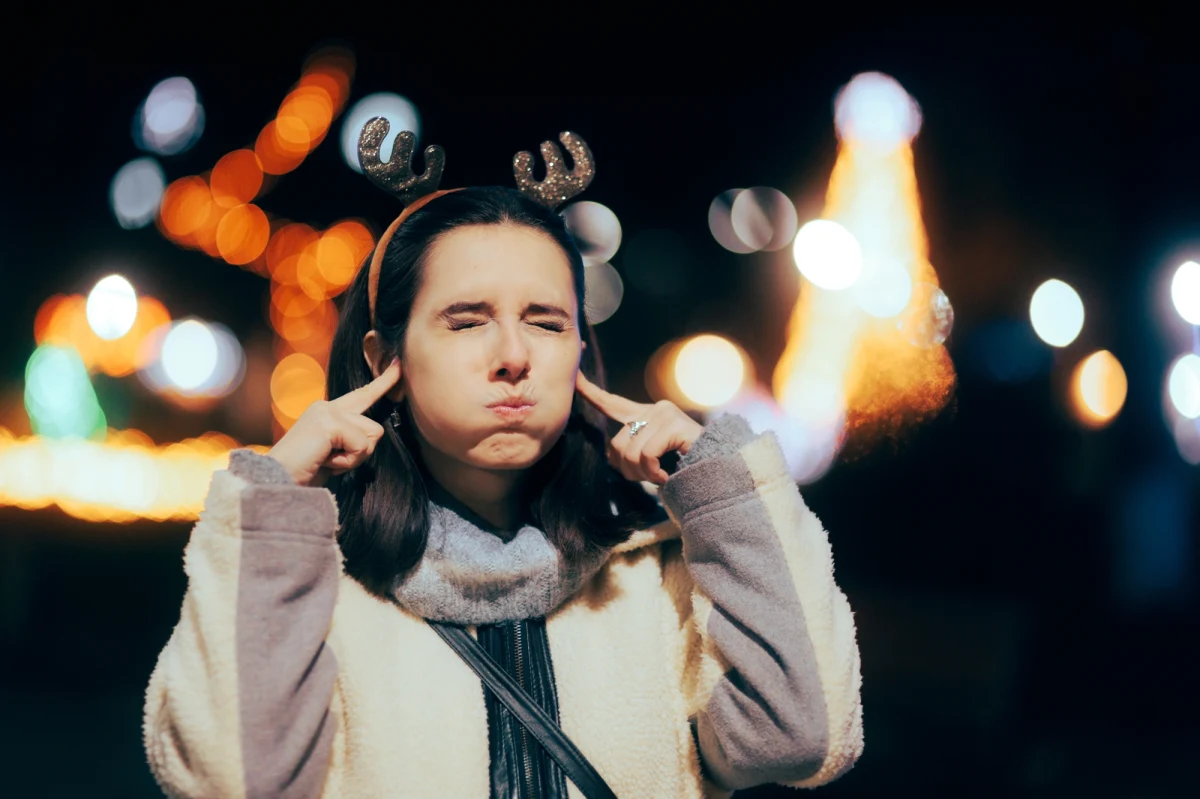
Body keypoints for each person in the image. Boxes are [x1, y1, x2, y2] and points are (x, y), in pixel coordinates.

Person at [142, 121, 863, 798]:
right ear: (385, 357)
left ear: (580, 351)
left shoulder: (655, 572)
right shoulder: (317, 588)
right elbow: (232, 777)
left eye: (546, 322)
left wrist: (723, 489)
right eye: (467, 319)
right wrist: (274, 503)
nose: (514, 356)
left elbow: (800, 737)